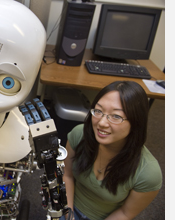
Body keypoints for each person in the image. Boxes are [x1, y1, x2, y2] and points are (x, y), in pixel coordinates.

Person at [62, 81, 162, 220]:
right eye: (98, 111)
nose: (102, 123)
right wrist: (68, 215)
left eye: (116, 116)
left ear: (136, 122)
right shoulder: (79, 135)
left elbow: (126, 213)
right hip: (68, 205)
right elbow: (66, 175)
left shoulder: (149, 172)